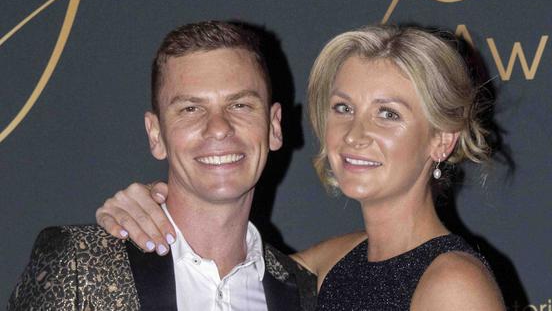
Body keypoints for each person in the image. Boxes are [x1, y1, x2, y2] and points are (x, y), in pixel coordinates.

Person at [95, 25, 505, 310]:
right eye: (344, 108)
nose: (354, 134)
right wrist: (145, 206)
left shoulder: (454, 284)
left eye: (388, 114)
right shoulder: (325, 266)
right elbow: (218, 263)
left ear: (442, 138)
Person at [8, 21, 316, 311]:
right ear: (156, 134)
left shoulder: (304, 294)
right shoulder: (81, 263)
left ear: (274, 127)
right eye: (191, 108)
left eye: (240, 105)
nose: (219, 128)